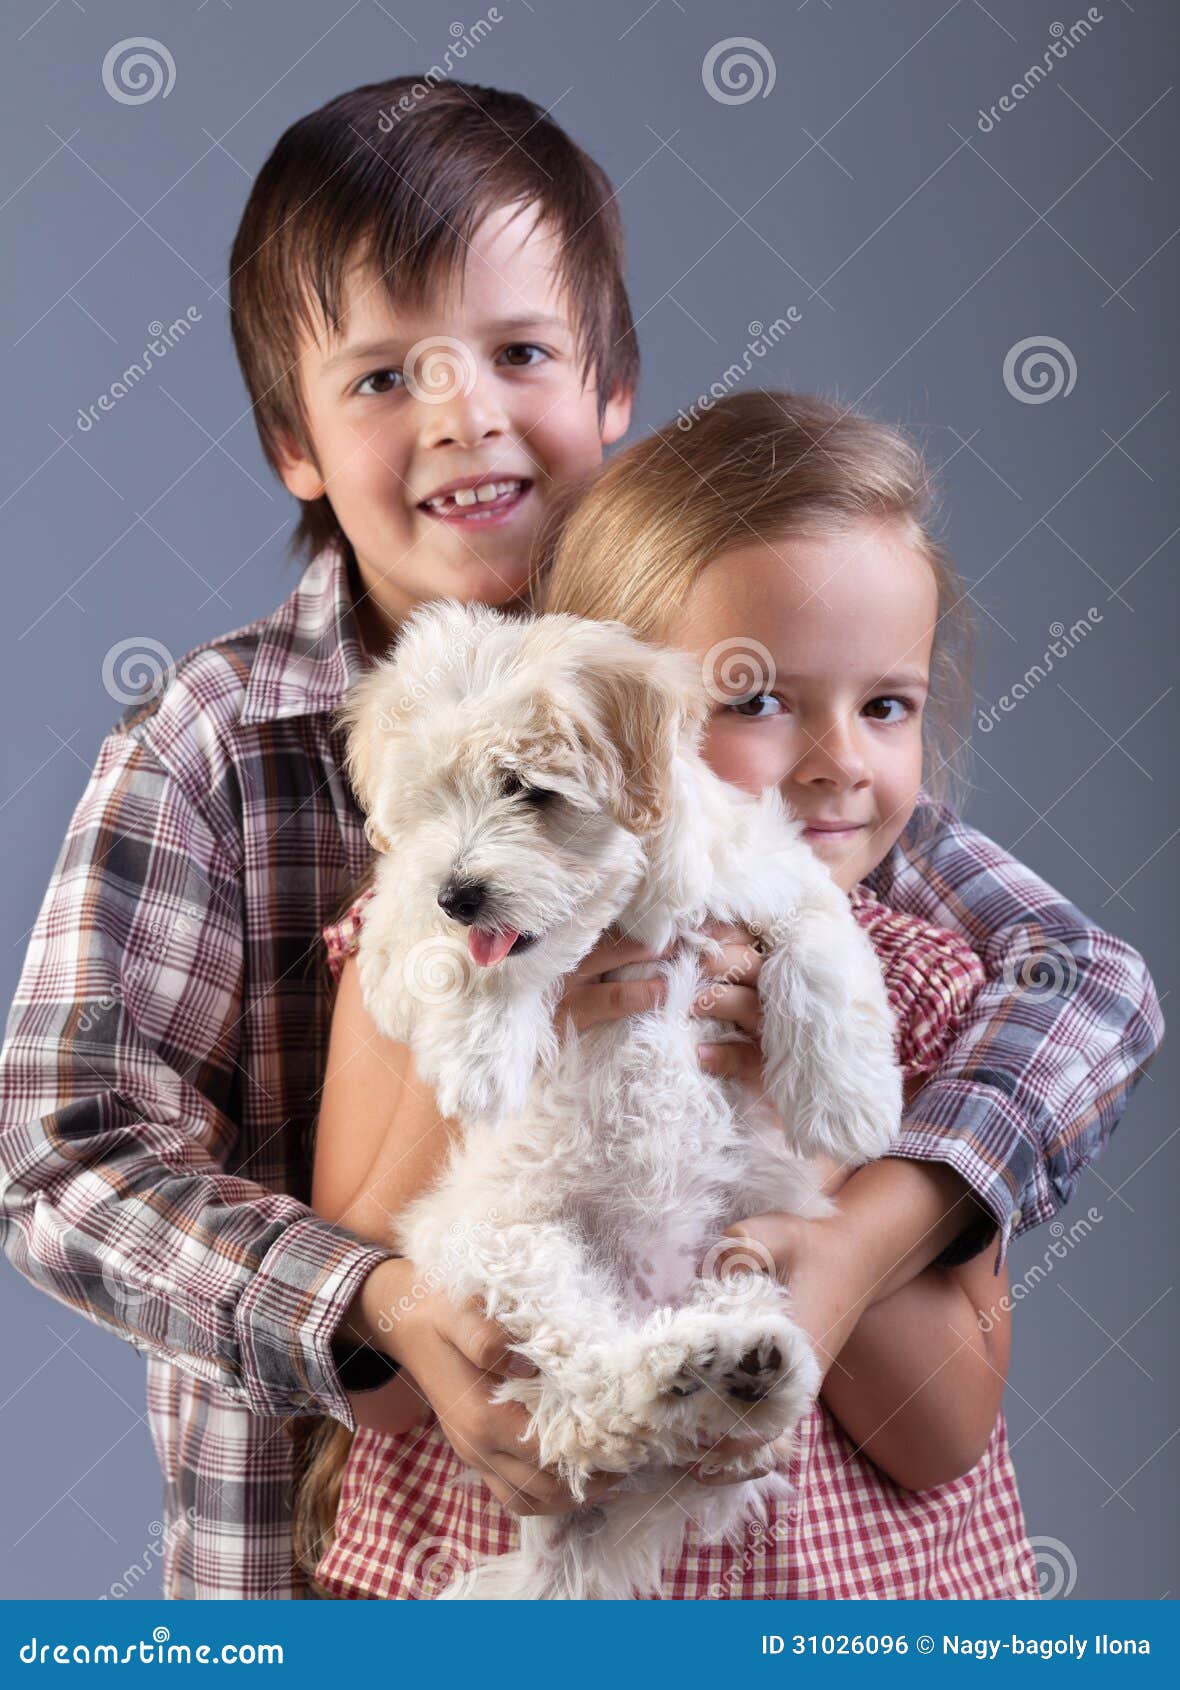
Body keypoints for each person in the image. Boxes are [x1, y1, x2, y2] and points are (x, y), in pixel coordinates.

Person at [0, 76, 1160, 1602]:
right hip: (341, 1556)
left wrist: (870, 1214)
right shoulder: (219, 742)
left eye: (520, 352)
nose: (466, 412)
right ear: (292, 437)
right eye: (382, 378)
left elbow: (1077, 973)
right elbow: (58, 1151)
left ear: (613, 386)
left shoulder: (723, 705)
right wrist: (377, 1297)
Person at [302, 389, 1115, 1599]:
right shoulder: (423, 940)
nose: (842, 759)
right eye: (756, 699)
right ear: (606, 717)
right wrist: (505, 1024)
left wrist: (812, 1157)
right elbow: (368, 1356)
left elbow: (939, 1432)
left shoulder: (916, 985)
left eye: (884, 704)